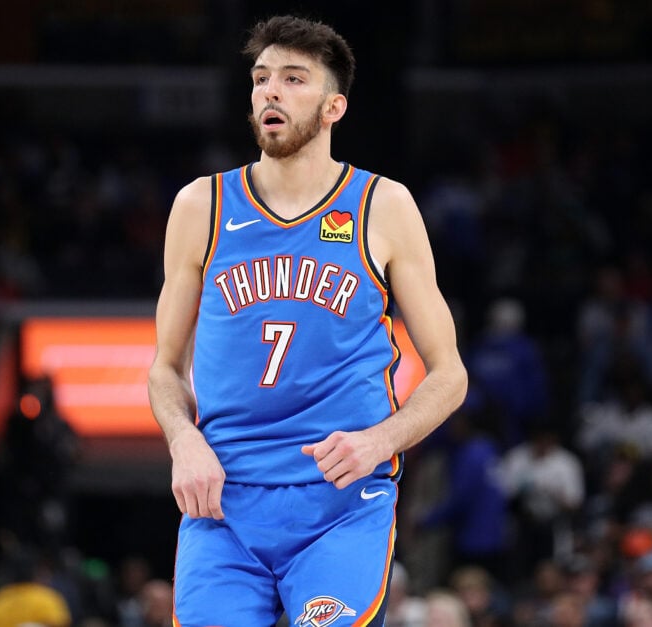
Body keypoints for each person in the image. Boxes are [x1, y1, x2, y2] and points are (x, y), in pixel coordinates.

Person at [147, 14, 467, 626]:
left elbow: (450, 374)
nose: (270, 90)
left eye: (294, 79)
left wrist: (382, 440)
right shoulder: (201, 206)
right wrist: (183, 441)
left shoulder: (384, 205)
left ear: (333, 107)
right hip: (224, 507)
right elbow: (164, 368)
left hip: (340, 508)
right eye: (261, 77)